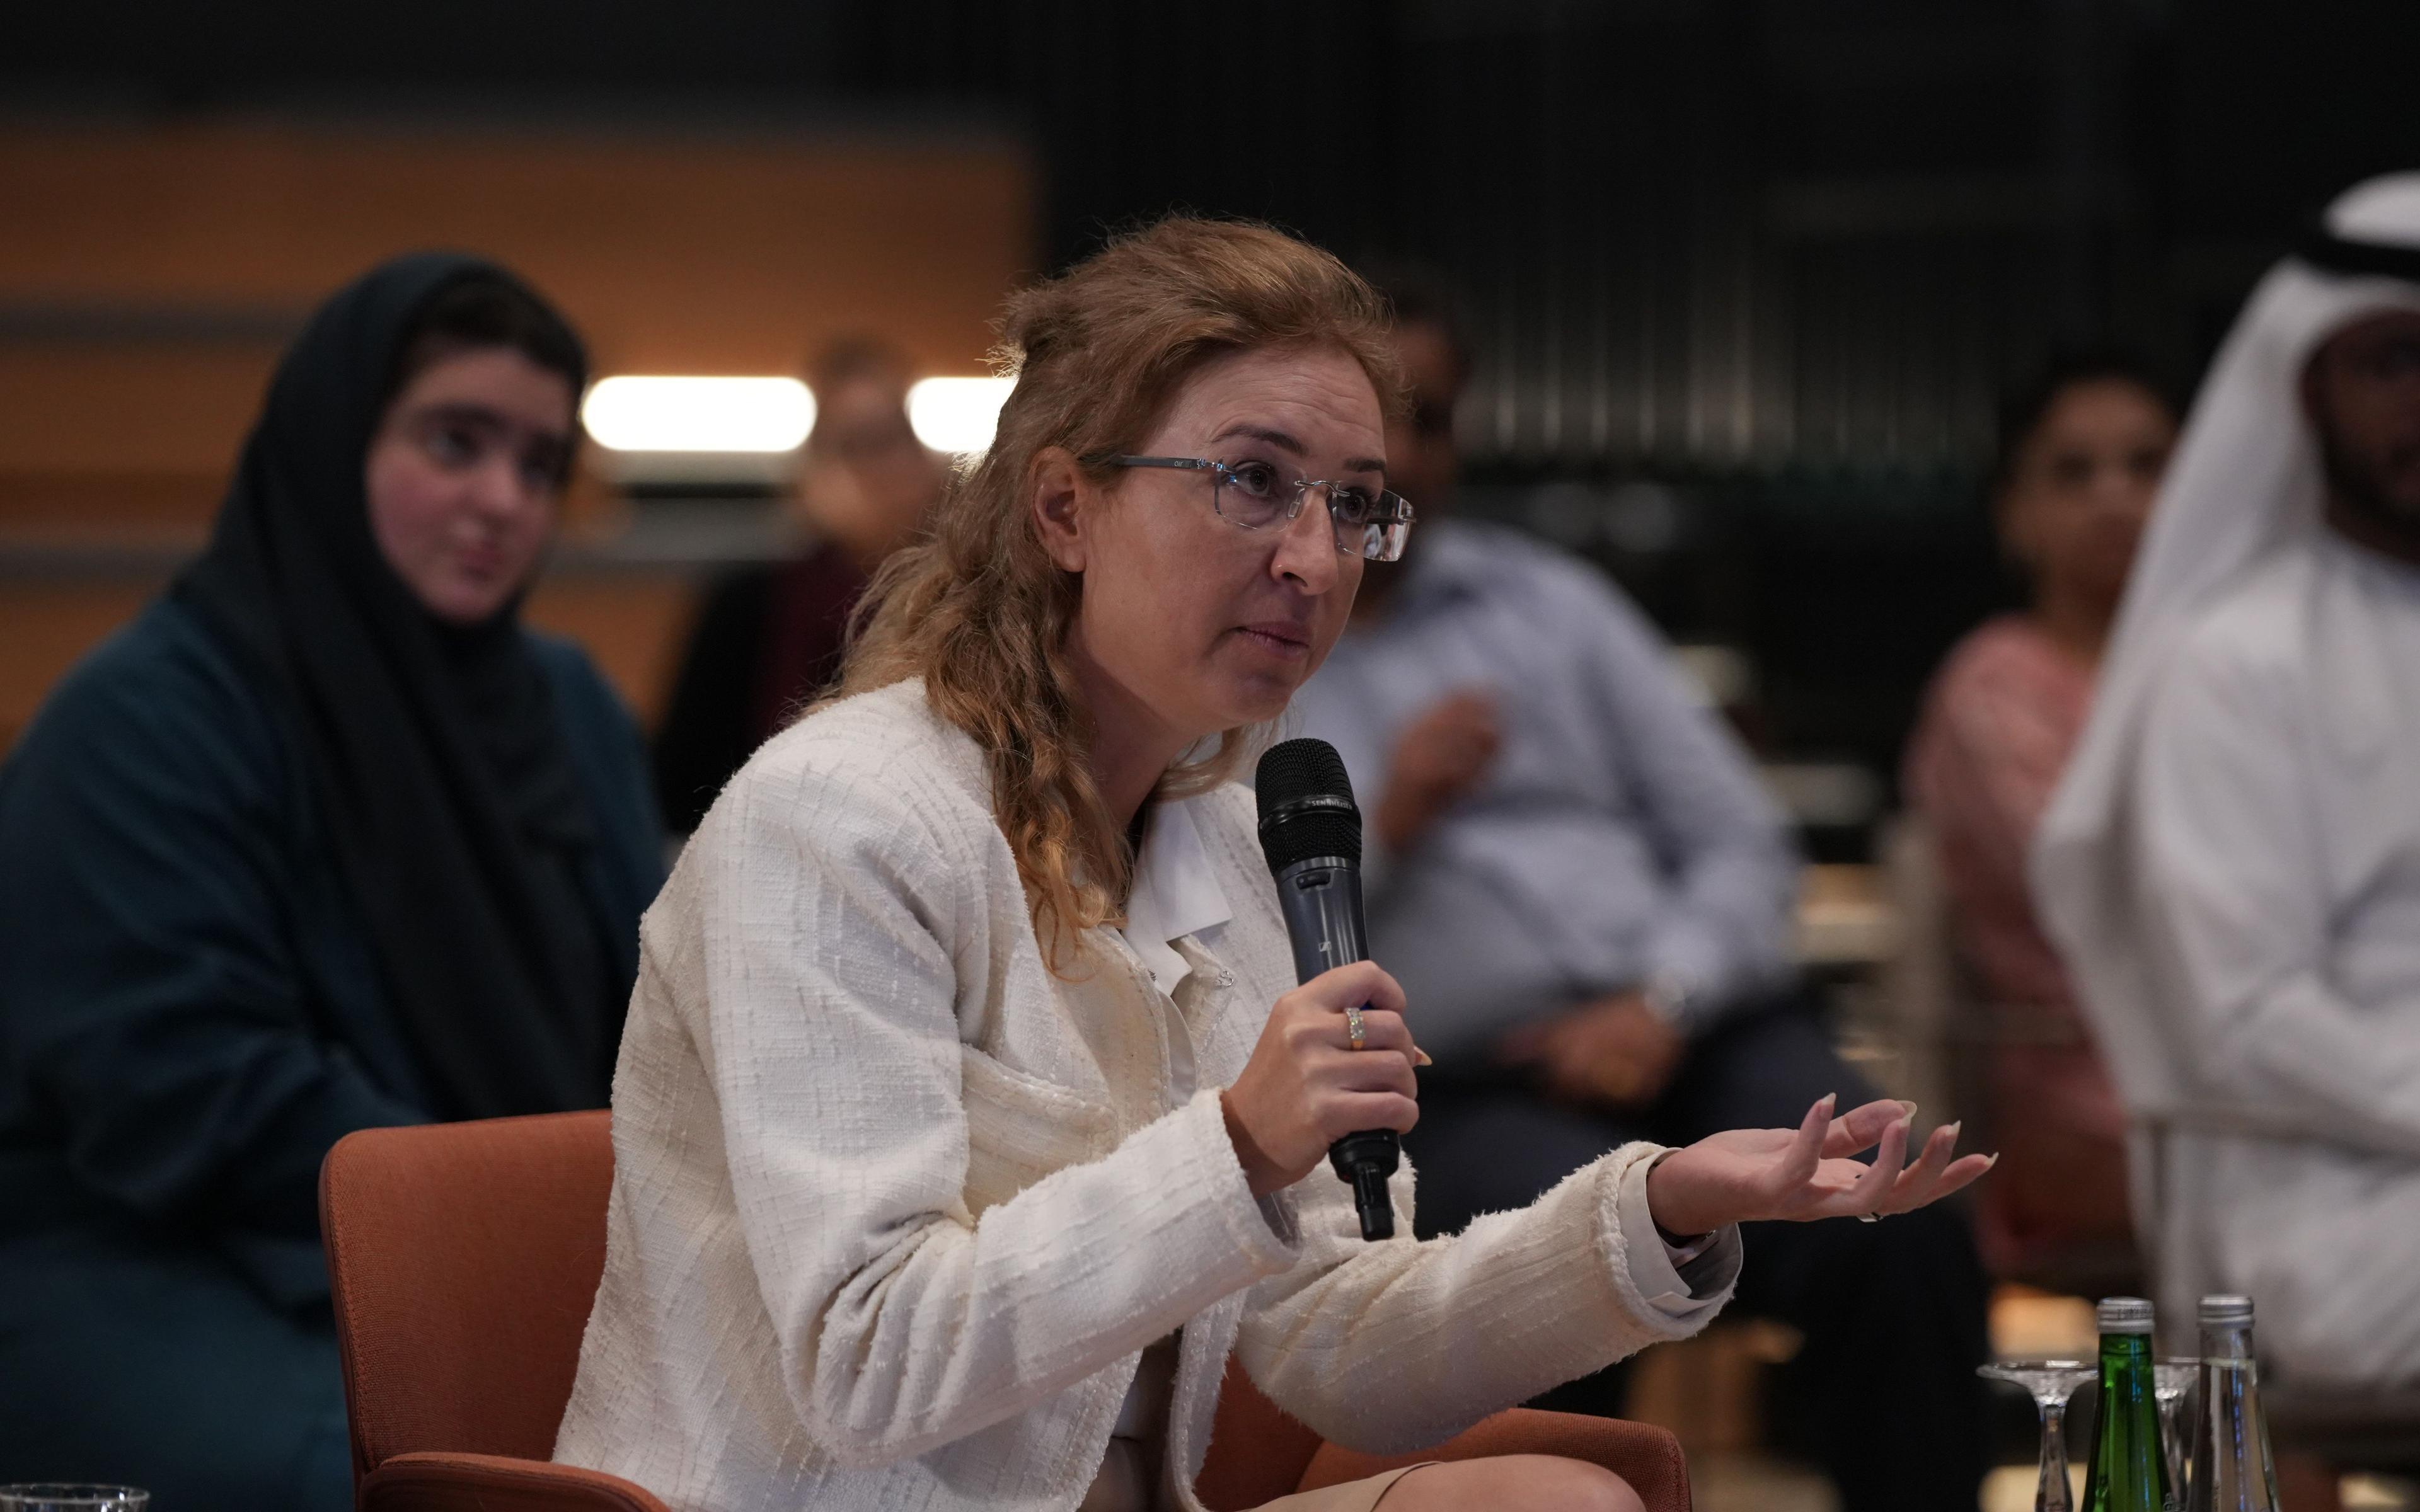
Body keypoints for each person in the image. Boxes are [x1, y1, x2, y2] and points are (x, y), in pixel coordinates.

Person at [553, 219, 1990, 1512]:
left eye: (1355, 501)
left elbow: (1331, 1335)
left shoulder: (1224, 830)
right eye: (1252, 480)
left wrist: (1663, 1197)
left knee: (1556, 1501)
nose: (1316, 557)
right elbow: (864, 1360)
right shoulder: (841, 817)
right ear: (1063, 509)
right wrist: (1235, 1142)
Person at [1286, 274, 1994, 1512]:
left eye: (1431, 421)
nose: (1400, 461)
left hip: (1693, 1026)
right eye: (1371, 424)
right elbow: (1249, 935)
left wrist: (1659, 1000)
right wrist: (1389, 819)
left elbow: (1743, 842)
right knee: (1546, 1255)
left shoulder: (1551, 605)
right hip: (1461, 1086)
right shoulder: (1262, 635)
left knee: (1895, 1211)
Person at [0, 255, 665, 1510]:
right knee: (408, 1484)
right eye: (454, 442)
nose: (501, 499)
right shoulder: (147, 715)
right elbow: (189, 1094)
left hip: (508, 1251)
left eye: (537, 464)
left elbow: (662, 1016)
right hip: (154, 1255)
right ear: (333, 440)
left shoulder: (565, 709)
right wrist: (488, 1245)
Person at [2037, 173, 2420, 1391]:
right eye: (2393, 361)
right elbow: (2249, 1025)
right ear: (2304, 385)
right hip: (2328, 1210)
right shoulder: (2237, 660)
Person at [1904, 356, 2177, 1282]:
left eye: (2149, 466)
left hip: (2237, 1057)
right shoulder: (1995, 683)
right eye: (2073, 471)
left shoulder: (2231, 665)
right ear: (2012, 513)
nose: (2117, 496)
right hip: (2091, 1082)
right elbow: (2114, 895)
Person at [650, 337, 949, 832]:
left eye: (888, 441)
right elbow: (682, 789)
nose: (874, 473)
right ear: (809, 467)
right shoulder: (747, 606)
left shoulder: (968, 604)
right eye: (848, 447)